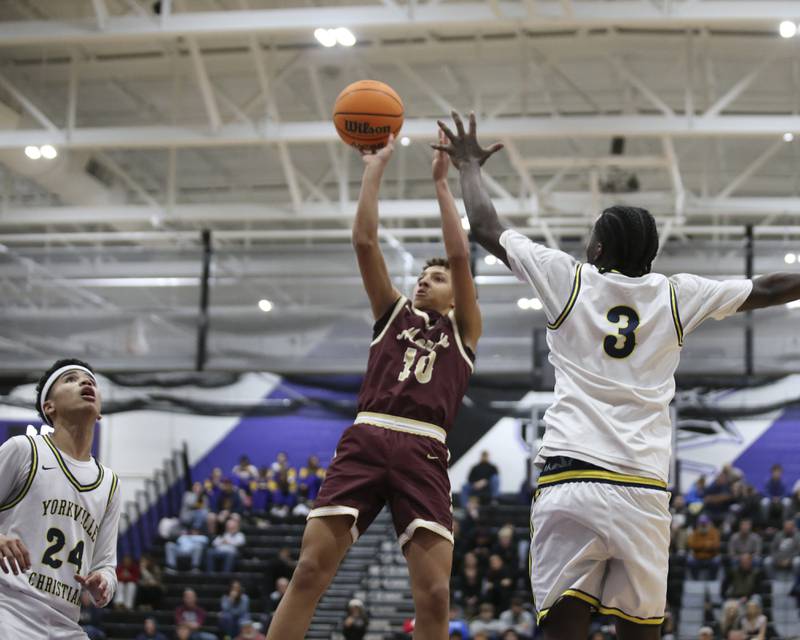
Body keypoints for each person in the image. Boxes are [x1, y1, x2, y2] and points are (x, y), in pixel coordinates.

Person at [434, 109, 800, 640]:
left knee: (562, 631)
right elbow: (767, 288)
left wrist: (468, 166)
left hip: (571, 478)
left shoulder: (570, 280)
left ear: (599, 249)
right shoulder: (675, 294)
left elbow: (486, 228)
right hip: (642, 489)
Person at [265, 131, 482, 640]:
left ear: (456, 295)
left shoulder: (464, 329)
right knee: (310, 572)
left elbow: (462, 257)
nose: (427, 281)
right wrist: (374, 166)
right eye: (423, 276)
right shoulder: (392, 313)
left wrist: (441, 186)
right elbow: (364, 242)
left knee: (434, 594)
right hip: (367, 437)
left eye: (439, 278)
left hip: (424, 450)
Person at [0, 358, 121, 636]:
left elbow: (106, 564)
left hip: (66, 623)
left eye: (90, 380)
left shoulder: (110, 483)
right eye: (70, 379)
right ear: (49, 407)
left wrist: (104, 583)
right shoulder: (24, 451)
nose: (85, 382)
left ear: (99, 411)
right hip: (10, 610)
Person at [687, 515, 722, 579]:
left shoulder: (714, 532)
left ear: (708, 523)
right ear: (698, 524)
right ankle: (695, 581)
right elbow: (692, 545)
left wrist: (700, 546)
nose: (703, 525)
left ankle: (712, 580)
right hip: (697, 558)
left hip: (711, 557)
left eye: (705, 523)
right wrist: (706, 544)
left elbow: (716, 545)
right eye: (701, 523)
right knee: (690, 561)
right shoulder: (695, 533)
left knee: (717, 561)